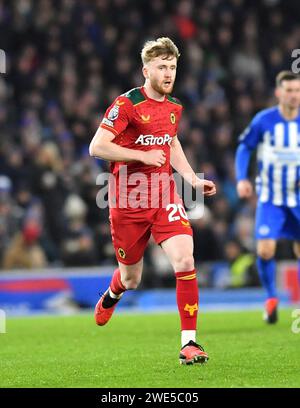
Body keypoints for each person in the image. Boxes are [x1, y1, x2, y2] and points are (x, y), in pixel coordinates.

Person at [89, 37, 216, 365]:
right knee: (132, 279)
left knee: (185, 260)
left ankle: (189, 343)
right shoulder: (127, 104)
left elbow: (171, 144)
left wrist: (191, 179)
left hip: (163, 196)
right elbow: (97, 147)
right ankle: (113, 292)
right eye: (162, 67)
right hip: (127, 202)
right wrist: (139, 156)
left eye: (172, 67)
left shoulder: (174, 107)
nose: (169, 72)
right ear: (146, 70)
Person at [235, 71, 300, 323]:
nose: (294, 95)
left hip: (298, 197)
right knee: (264, 250)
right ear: (278, 93)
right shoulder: (264, 120)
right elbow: (244, 147)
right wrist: (242, 178)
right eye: (289, 90)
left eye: (297, 91)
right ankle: (272, 298)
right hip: (271, 197)